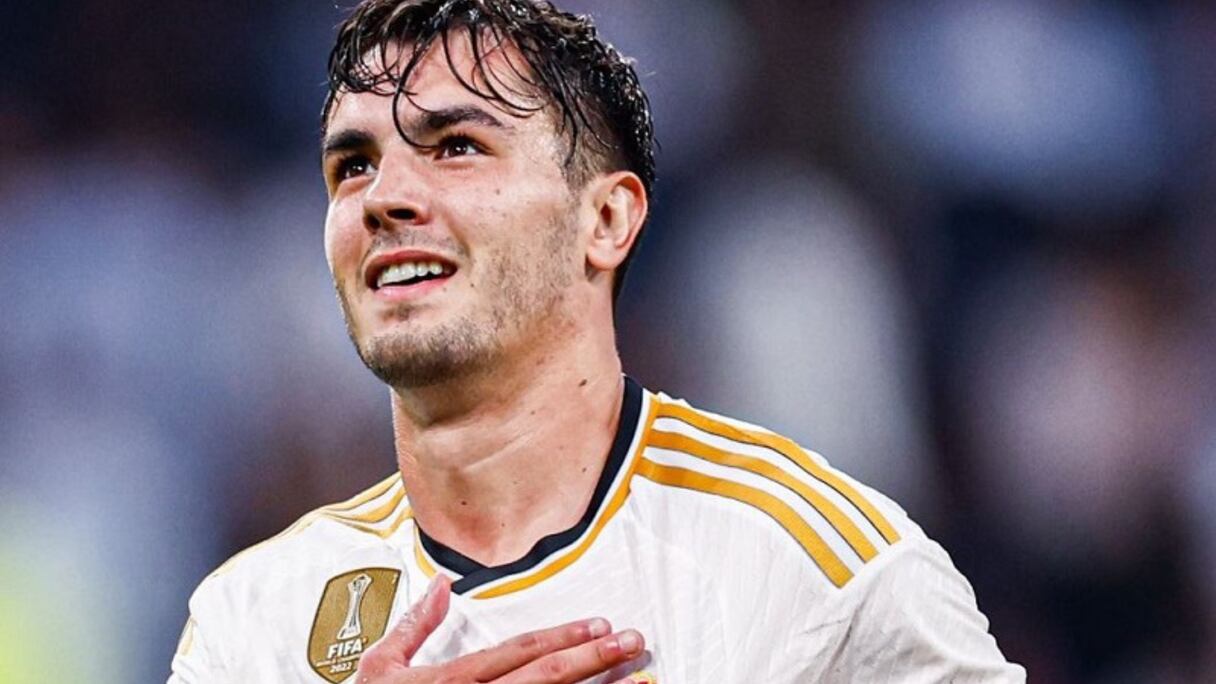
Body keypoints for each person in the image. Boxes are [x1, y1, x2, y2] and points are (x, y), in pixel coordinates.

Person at [170, 0, 1025, 681]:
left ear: (606, 219)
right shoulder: (254, 617)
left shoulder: (810, 565)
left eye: (457, 147)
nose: (383, 197)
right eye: (353, 164)